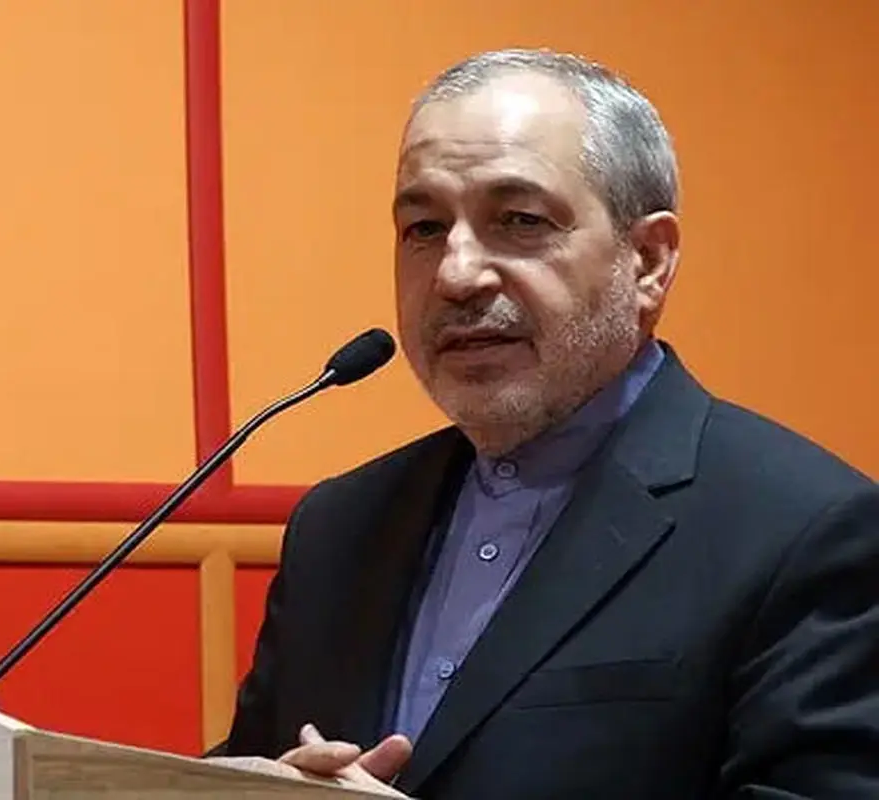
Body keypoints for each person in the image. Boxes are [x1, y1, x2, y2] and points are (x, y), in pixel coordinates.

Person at [206, 47, 879, 799]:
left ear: (648, 261)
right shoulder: (339, 526)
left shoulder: (807, 531)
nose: (456, 275)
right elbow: (249, 766)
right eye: (424, 228)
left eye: (520, 221)